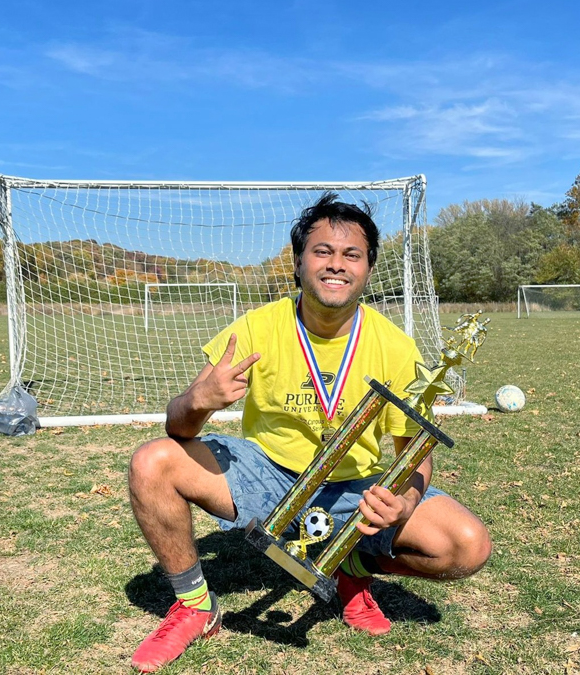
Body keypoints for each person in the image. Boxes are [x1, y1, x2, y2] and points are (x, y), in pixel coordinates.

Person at [128, 193, 491, 673]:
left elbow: (415, 452)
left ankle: (351, 567)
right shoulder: (256, 327)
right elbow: (178, 426)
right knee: (151, 462)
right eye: (322, 251)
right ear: (298, 262)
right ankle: (196, 607)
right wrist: (198, 401)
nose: (336, 264)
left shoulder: (396, 347)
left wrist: (403, 503)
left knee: (467, 544)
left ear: (368, 268)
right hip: (267, 477)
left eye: (351, 254)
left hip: (351, 492)